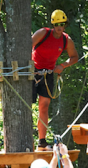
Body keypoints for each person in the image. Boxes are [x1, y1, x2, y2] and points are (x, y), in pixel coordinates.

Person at [32, 9, 79, 151]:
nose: (59, 27)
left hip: (48, 75)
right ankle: (26, 138)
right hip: (32, 73)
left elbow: (74, 57)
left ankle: (42, 141)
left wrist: (63, 65)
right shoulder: (43, 33)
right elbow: (26, 46)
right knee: (26, 105)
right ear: (53, 24)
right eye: (57, 24)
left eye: (62, 24)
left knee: (44, 106)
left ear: (65, 25)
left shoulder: (66, 40)